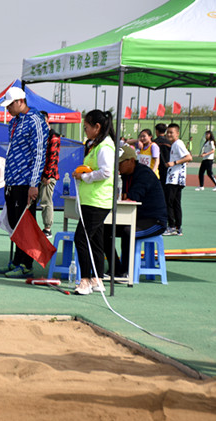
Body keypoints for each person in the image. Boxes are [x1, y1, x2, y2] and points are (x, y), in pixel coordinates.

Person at [0, 86, 49, 279]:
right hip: (12, 180)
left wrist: (34, 183)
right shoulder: (15, 122)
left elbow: (39, 153)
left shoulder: (35, 121)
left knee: (25, 223)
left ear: (20, 101)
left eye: (10, 105)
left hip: (25, 182)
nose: (7, 109)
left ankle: (26, 264)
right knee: (14, 223)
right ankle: (17, 261)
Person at [103, 145, 168, 277]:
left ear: (131, 161)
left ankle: (127, 270)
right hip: (135, 219)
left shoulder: (144, 174)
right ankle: (115, 267)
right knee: (103, 230)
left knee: (128, 232)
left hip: (154, 221)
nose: (117, 167)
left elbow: (133, 197)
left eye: (120, 163)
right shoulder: (127, 175)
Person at [72, 110, 116, 295]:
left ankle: (85, 281)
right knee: (96, 240)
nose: (85, 131)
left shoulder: (105, 146)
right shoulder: (97, 145)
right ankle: (97, 279)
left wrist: (85, 177)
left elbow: (106, 172)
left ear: (97, 127)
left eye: (86, 127)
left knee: (81, 239)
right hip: (93, 200)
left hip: (97, 201)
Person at [162, 123, 192, 236]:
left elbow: (189, 157)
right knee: (176, 203)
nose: (169, 134)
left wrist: (173, 163)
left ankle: (171, 227)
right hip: (176, 178)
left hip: (174, 178)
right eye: (168, 132)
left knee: (169, 202)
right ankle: (178, 227)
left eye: (171, 132)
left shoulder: (178, 144)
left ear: (177, 133)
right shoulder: (175, 144)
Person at [39, 111, 60, 239]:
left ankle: (47, 229)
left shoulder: (54, 136)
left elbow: (53, 158)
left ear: (47, 120)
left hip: (48, 176)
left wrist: (47, 175)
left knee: (46, 201)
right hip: (38, 175)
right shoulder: (40, 135)